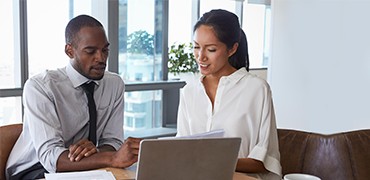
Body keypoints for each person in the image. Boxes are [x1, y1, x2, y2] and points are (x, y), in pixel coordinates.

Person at [6, 14, 141, 179]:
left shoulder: (114, 84)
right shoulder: (40, 87)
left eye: (105, 50)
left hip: (84, 166)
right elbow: (51, 158)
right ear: (69, 51)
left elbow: (112, 142)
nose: (101, 58)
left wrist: (95, 151)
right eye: (90, 51)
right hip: (34, 169)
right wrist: (112, 157)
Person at [176, 9, 282, 179]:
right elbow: (181, 148)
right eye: (196, 47)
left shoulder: (257, 89)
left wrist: (216, 162)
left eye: (210, 49)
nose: (200, 57)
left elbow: (263, 160)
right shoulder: (190, 91)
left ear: (232, 49)